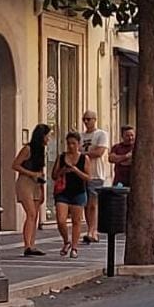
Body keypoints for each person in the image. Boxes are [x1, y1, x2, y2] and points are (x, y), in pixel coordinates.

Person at [12, 124, 51, 256]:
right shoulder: (27, 149)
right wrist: (31, 174)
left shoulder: (41, 151)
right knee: (31, 213)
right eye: (48, 135)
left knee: (36, 214)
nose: (49, 138)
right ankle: (27, 245)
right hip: (25, 182)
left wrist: (42, 188)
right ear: (42, 136)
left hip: (36, 184)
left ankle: (32, 244)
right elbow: (15, 165)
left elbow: (40, 171)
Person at [52, 132, 92, 259]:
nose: (71, 146)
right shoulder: (62, 157)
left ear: (79, 144)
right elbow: (54, 175)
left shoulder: (84, 158)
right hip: (63, 192)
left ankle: (74, 247)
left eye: (74, 143)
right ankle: (66, 241)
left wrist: (76, 170)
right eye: (69, 143)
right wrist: (63, 170)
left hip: (78, 192)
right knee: (61, 220)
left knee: (76, 221)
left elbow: (88, 177)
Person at [80, 110, 109, 244]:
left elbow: (99, 152)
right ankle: (89, 229)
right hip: (82, 173)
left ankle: (93, 230)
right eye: (84, 119)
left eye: (89, 119)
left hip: (96, 173)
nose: (86, 122)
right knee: (85, 203)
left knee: (93, 203)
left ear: (95, 119)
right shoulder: (81, 136)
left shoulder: (101, 134)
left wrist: (84, 153)